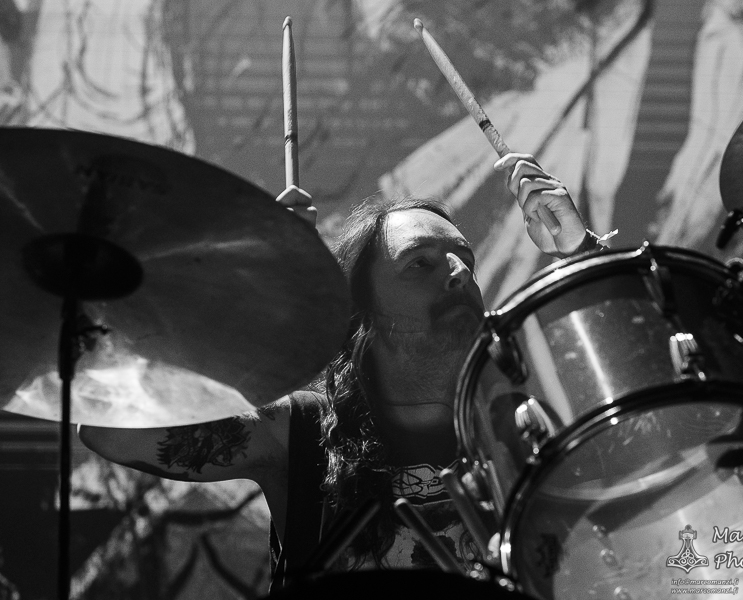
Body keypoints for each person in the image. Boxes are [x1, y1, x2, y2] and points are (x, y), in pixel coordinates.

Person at [78, 152, 608, 589]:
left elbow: (652, 447)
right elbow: (111, 429)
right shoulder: (298, 433)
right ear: (363, 316)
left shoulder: (527, 433)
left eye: (464, 260)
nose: (458, 273)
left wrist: (582, 256)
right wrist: (245, 293)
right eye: (420, 263)